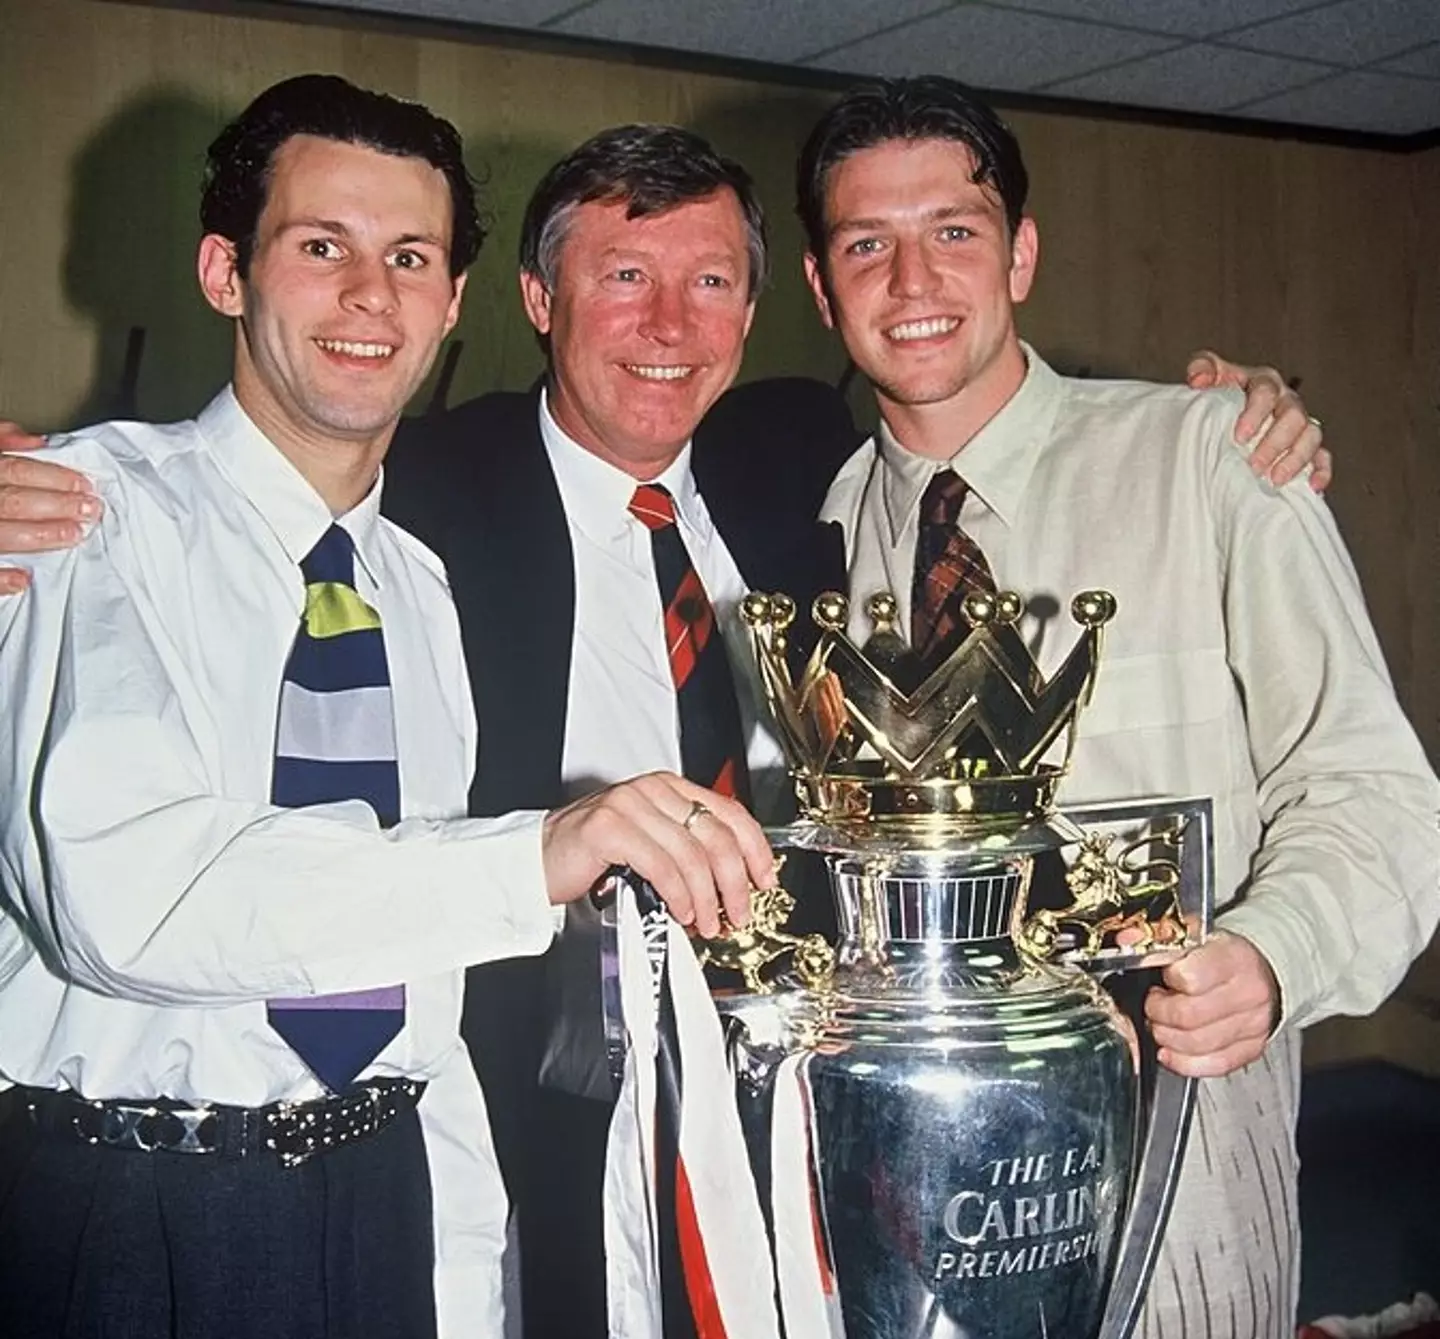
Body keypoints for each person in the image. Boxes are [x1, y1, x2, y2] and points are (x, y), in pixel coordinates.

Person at [0, 115, 1328, 1339]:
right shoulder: (417, 499)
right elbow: (241, 476)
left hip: (778, 1108)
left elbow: (985, 431)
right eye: (623, 279)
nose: (669, 324)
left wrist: (1239, 414)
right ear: (531, 301)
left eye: (710, 283)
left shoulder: (800, 472)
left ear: (762, 307)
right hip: (517, 1106)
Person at [0, 76, 775, 1339]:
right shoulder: (82, 515)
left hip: (389, 1196)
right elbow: (133, 897)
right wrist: (540, 851)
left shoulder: (415, 582)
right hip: (139, 1203)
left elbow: (419, 1006)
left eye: (409, 257)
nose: (372, 297)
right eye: (322, 248)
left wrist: (470, 1279)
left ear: (455, 301)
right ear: (223, 272)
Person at [798, 75, 1440, 1337]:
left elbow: (1374, 787)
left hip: (1186, 1134)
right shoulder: (809, 528)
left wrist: (1274, 952)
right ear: (822, 289)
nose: (912, 281)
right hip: (901, 1177)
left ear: (1022, 253)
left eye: (956, 232)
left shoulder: (1210, 461)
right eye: (867, 243)